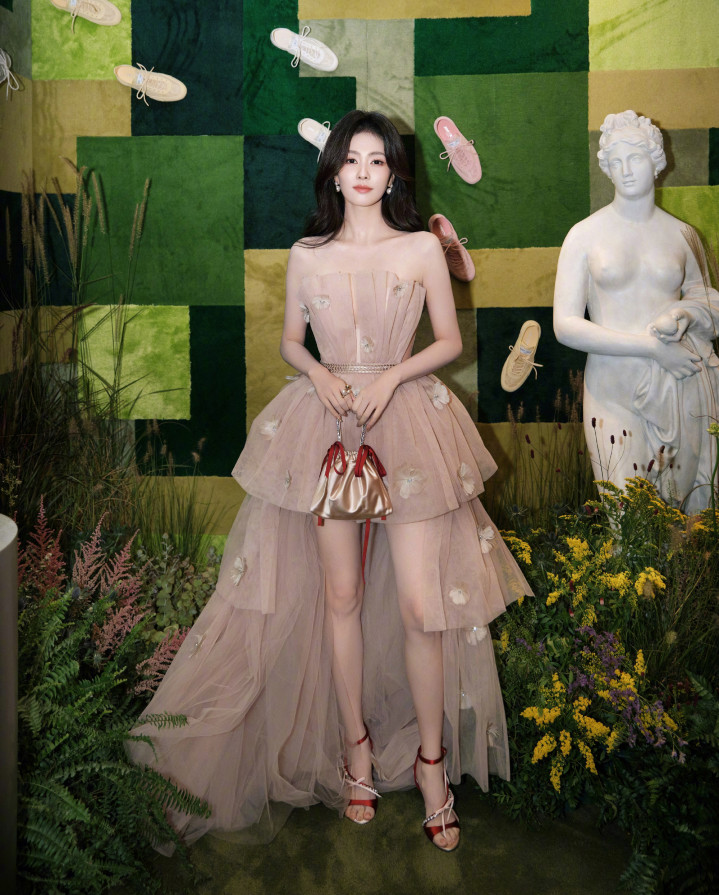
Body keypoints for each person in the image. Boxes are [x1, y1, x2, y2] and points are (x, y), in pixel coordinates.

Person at [129, 110, 530, 853]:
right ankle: (355, 755)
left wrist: (391, 377)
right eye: (351, 160)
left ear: (393, 173)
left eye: (378, 160)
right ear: (333, 173)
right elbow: (291, 340)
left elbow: (449, 340)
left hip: (406, 424)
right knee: (339, 598)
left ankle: (432, 766)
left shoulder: (420, 247)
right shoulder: (306, 253)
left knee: (420, 608)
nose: (364, 172)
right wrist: (317, 374)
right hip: (326, 427)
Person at [554, 110, 719, 513]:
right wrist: (651, 347)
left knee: (681, 526)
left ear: (657, 161)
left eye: (635, 158)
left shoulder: (683, 235)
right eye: (616, 161)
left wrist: (685, 315)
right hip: (613, 393)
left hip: (678, 390)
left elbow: (707, 300)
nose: (625, 170)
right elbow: (565, 325)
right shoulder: (584, 235)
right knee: (626, 523)